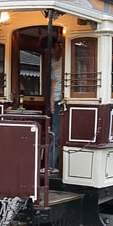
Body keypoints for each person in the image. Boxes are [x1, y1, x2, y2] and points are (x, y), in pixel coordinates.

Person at [50, 42, 63, 170]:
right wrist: (52, 103)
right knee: (56, 134)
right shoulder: (54, 62)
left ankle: (54, 165)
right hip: (58, 101)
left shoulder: (69, 59)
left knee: (57, 134)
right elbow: (53, 84)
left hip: (67, 100)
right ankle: (52, 165)